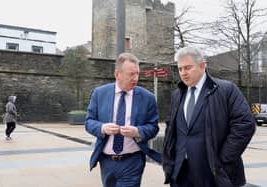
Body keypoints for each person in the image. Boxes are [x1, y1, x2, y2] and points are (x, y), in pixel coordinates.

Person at [162, 46, 255, 187]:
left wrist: (223, 159)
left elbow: (245, 124)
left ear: (202, 66)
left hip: (213, 174)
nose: (183, 73)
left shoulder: (226, 90)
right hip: (181, 173)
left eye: (187, 68)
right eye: (180, 69)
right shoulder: (178, 94)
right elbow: (171, 129)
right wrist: (170, 161)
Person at [85, 52, 161, 187]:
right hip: (106, 161)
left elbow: (153, 127)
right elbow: (89, 122)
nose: (136, 78)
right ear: (117, 74)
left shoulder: (147, 97)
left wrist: (137, 131)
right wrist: (103, 128)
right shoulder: (99, 93)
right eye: (131, 74)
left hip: (132, 161)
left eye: (137, 73)